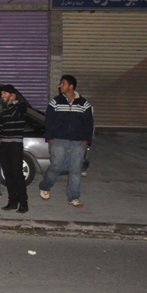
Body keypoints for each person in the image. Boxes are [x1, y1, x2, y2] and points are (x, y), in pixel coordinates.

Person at [39, 75, 93, 207]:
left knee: (75, 170)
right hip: (58, 141)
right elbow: (49, 120)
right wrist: (50, 138)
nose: (60, 86)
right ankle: (45, 186)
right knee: (56, 166)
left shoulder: (84, 104)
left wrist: (86, 140)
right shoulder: (55, 102)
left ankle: (73, 197)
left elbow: (89, 123)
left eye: (62, 83)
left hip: (78, 143)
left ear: (71, 86)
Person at [0, 85, 29, 213]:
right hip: (4, 144)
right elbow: (1, 125)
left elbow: (14, 115)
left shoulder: (21, 106)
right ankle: (12, 201)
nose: (2, 96)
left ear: (12, 95)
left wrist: (11, 103)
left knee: (17, 173)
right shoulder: (4, 107)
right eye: (2, 94)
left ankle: (23, 203)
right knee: (7, 173)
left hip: (15, 144)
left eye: (5, 93)